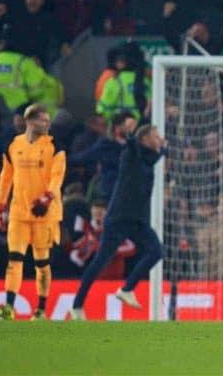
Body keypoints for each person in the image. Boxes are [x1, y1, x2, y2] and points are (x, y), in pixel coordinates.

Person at [68, 124, 165, 320]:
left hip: (138, 221)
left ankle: (127, 289)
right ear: (144, 140)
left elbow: (157, 154)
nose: (159, 139)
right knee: (100, 262)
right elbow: (132, 146)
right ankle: (77, 305)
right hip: (118, 219)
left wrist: (164, 148)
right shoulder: (131, 155)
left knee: (157, 251)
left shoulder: (149, 159)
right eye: (156, 136)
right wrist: (129, 138)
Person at [0, 104, 66, 320]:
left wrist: (47, 198)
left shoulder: (55, 146)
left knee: (41, 262)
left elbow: (57, 177)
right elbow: (6, 178)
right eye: (43, 119)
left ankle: (41, 308)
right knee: (14, 259)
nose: (47, 123)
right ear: (30, 121)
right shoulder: (14, 145)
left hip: (45, 213)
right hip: (19, 212)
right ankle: (9, 308)